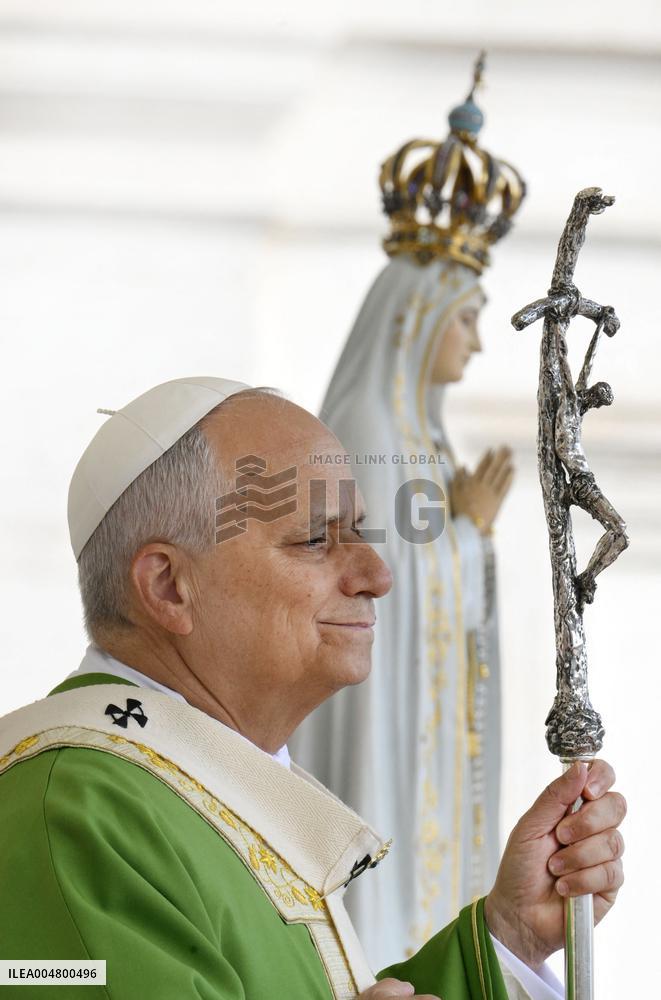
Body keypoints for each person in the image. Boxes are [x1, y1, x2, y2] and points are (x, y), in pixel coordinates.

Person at [0, 377, 626, 1000]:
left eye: (360, 529)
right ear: (168, 586)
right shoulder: (76, 813)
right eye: (316, 539)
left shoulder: (195, 784)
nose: (377, 574)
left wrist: (509, 936)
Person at [290, 58, 523, 965]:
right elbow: (379, 587)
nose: (472, 338)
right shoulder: (364, 428)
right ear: (416, 319)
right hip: (373, 724)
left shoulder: (419, 434)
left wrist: (468, 538)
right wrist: (463, 536)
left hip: (417, 731)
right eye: (464, 317)